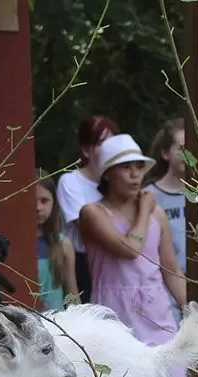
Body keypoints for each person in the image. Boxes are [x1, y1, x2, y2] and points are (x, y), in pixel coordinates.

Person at [78, 133, 189, 377]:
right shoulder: (92, 213)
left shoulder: (158, 214)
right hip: (116, 324)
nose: (135, 174)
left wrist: (194, 313)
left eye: (139, 166)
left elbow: (171, 269)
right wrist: (144, 211)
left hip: (158, 319)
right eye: (126, 167)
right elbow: (130, 249)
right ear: (107, 174)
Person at [57, 114, 120, 304]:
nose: (111, 149)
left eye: (115, 143)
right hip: (82, 263)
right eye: (103, 143)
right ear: (86, 150)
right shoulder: (70, 182)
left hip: (117, 260)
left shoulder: (121, 182)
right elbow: (87, 227)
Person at [144, 119, 188, 326]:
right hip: (160, 290)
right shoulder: (148, 197)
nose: (188, 155)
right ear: (165, 153)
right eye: (181, 148)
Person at [35, 170, 77, 311]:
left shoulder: (63, 244)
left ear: (54, 203)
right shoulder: (15, 244)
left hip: (57, 323)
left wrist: (77, 319)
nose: (38, 207)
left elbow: (71, 294)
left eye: (44, 201)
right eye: (32, 201)